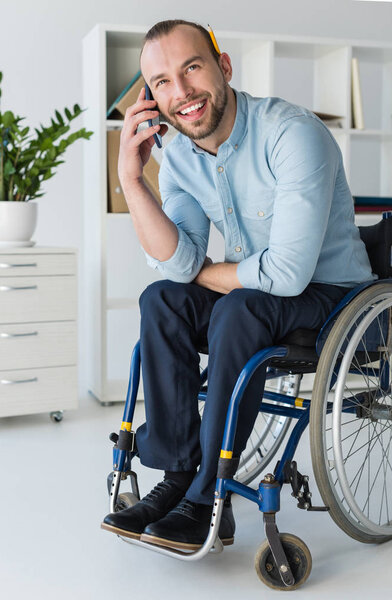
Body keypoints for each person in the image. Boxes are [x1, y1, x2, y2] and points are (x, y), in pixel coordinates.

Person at [102, 19, 375, 550]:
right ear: (151, 99)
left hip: (334, 297)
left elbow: (287, 275)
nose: (180, 93)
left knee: (238, 309)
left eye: (192, 68)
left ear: (223, 67)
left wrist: (201, 272)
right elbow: (177, 267)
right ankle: (180, 478)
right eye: (161, 82)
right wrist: (132, 180)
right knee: (161, 300)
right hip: (254, 294)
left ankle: (209, 495)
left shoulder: (292, 133)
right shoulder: (178, 153)